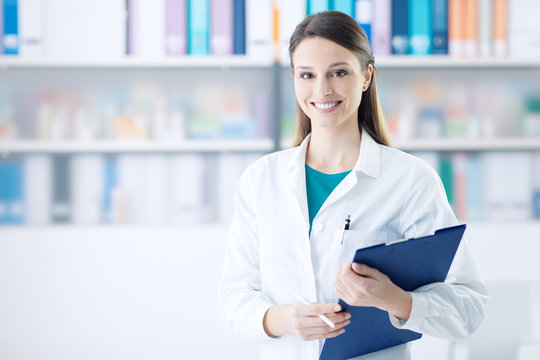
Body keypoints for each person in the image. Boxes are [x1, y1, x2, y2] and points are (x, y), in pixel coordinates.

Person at [217, 10, 488, 360]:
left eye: (339, 72)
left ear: (366, 76)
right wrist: (281, 318)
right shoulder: (261, 179)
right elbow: (233, 298)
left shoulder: (409, 180)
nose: (322, 90)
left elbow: (469, 307)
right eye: (307, 75)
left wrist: (395, 299)